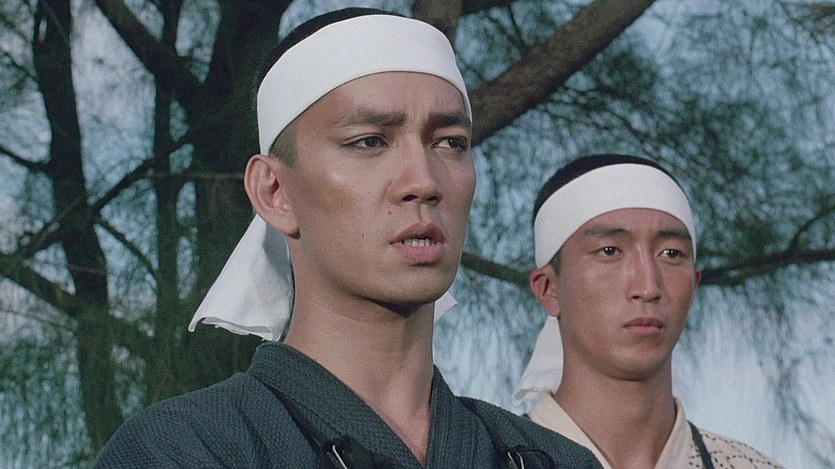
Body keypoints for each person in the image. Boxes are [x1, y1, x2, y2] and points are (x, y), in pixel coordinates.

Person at [94, 8, 602, 468]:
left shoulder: (553, 461)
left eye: (450, 142)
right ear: (274, 191)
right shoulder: (181, 451)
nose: (423, 181)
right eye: (369, 142)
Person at [512, 154, 784, 468]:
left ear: (694, 285)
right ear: (548, 288)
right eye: (609, 251)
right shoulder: (488, 459)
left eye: (671, 253)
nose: (648, 287)